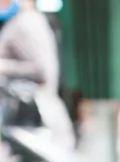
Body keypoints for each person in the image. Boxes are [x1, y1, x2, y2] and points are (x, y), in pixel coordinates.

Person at [0, 0, 74, 151]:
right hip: (32, 113)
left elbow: (41, 70)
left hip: (35, 114)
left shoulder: (26, 23)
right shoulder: (20, 22)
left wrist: (4, 67)